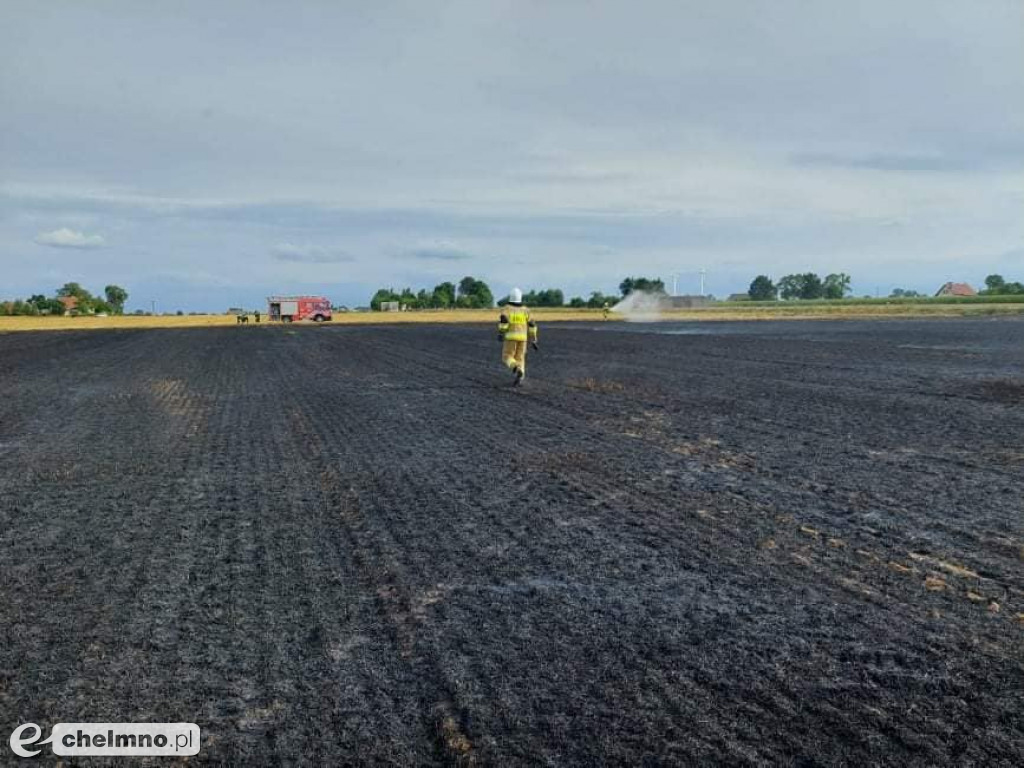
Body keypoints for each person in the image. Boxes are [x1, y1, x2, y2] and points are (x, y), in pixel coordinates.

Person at [498, 288, 538, 386]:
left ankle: (516, 367)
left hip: (511, 337)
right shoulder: (526, 310)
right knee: (520, 358)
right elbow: (532, 325)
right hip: (523, 338)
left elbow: (504, 323)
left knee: (507, 356)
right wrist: (534, 339)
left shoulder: (507, 309)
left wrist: (501, 333)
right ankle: (521, 376)